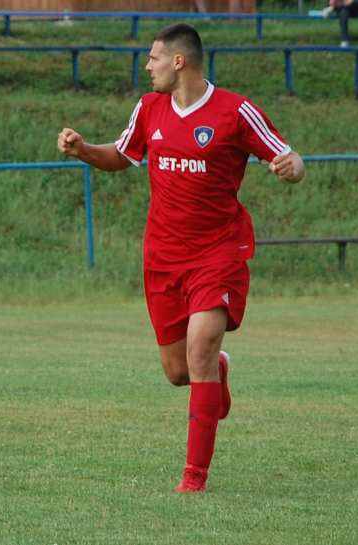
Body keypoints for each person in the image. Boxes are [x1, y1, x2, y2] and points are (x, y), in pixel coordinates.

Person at [57, 23, 304, 493]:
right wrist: (84, 150)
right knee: (178, 372)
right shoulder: (149, 109)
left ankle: (194, 479)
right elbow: (121, 156)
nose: (146, 66)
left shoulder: (236, 111)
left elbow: (289, 158)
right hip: (163, 257)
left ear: (178, 62)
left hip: (218, 252)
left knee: (201, 348)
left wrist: (291, 167)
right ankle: (218, 372)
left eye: (152, 58)